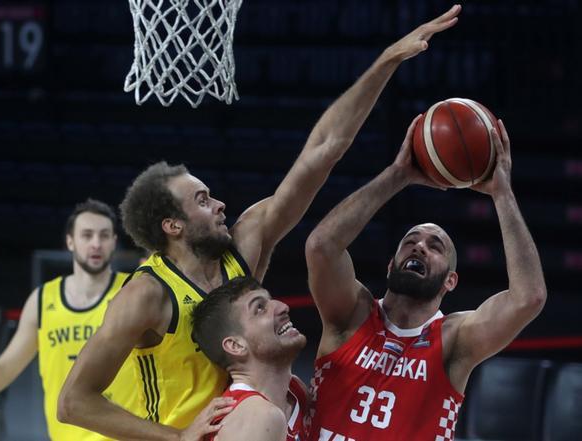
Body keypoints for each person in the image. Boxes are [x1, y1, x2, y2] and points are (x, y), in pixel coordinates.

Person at [57, 5, 462, 440]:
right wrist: (175, 438)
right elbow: (73, 402)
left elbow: (321, 151)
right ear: (172, 225)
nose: (220, 204)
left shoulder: (242, 247)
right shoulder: (145, 295)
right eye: (202, 200)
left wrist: (386, 62)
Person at [303, 113, 547, 440]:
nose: (419, 247)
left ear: (451, 280)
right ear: (391, 265)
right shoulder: (352, 314)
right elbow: (321, 247)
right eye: (410, 241)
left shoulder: (453, 340)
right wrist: (397, 175)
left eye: (435, 246)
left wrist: (502, 194)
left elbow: (528, 298)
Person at [0, 199, 144, 440]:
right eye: (87, 235)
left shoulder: (133, 291)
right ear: (70, 241)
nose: (96, 244)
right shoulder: (42, 300)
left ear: (113, 242)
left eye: (104, 235)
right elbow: (5, 367)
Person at [191, 276, 308, 441]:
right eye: (260, 308)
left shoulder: (296, 391)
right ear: (236, 345)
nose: (283, 307)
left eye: (271, 300)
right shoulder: (258, 418)